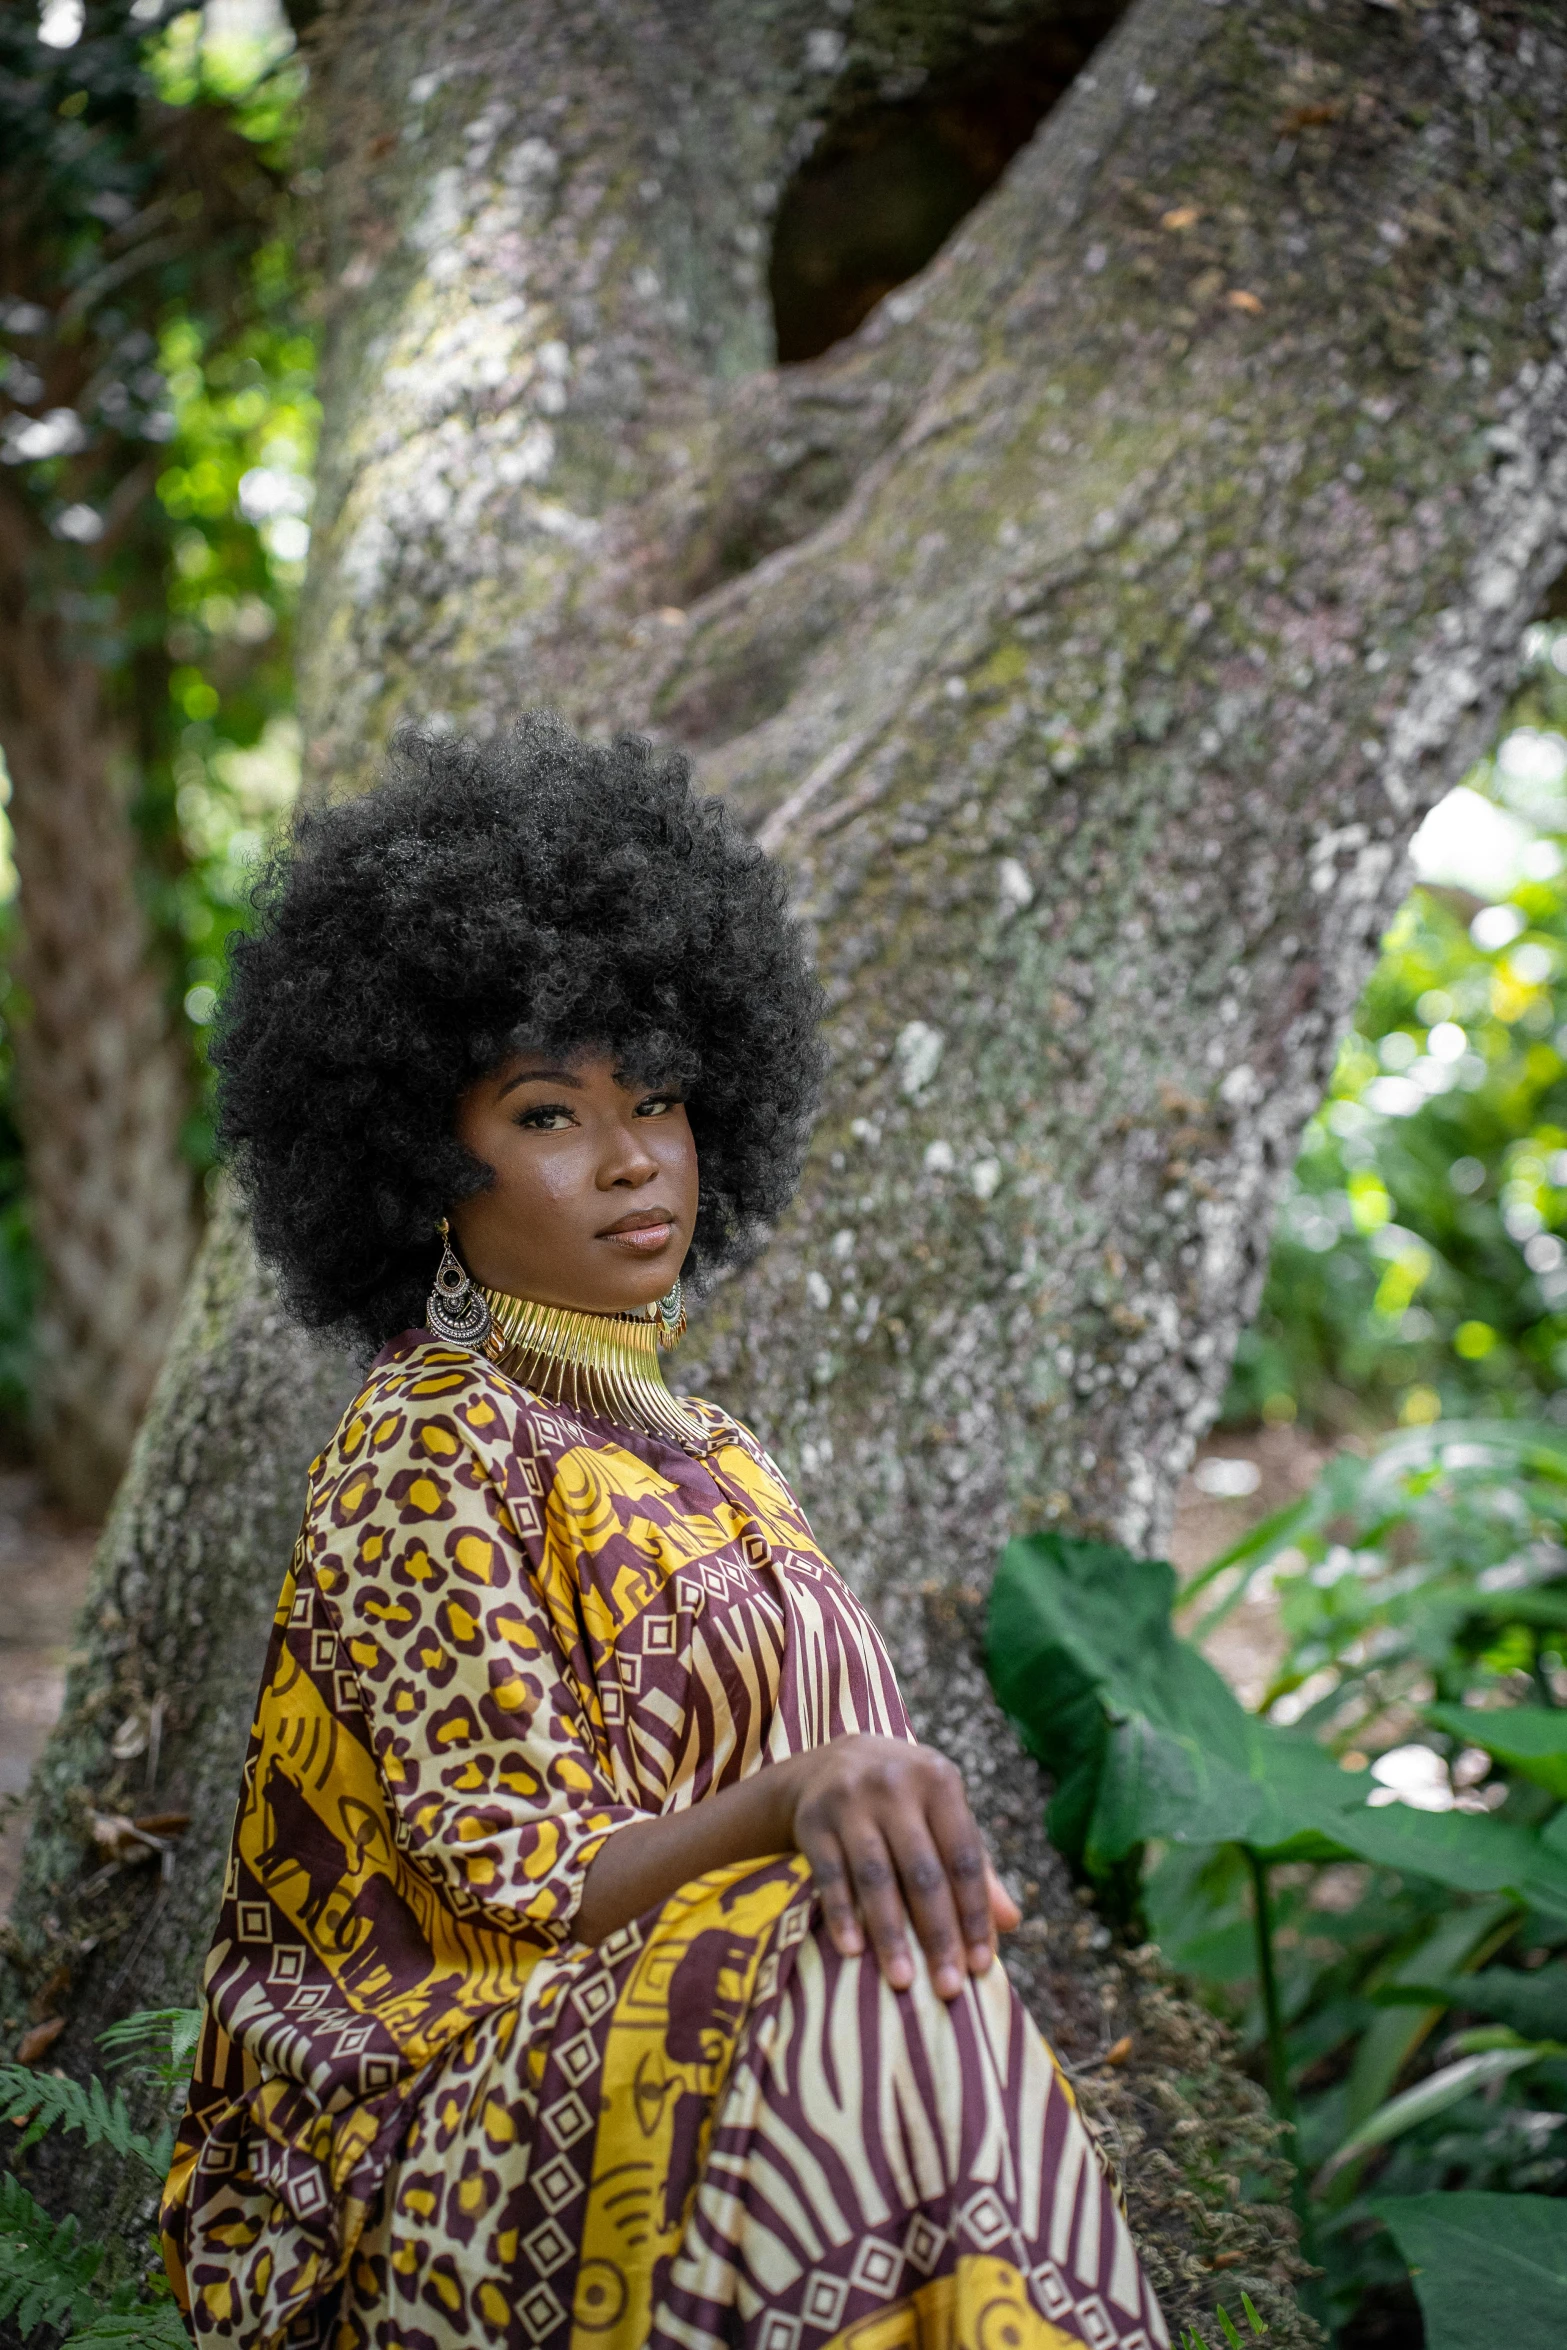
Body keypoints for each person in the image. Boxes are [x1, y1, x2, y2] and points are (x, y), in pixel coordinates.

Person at [160, 715, 1163, 2350]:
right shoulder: (436, 1434)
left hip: (730, 2037)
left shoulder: (718, 1458)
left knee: (874, 1967)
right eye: (549, 1113)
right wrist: (791, 1801)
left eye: (663, 1101)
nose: (634, 1160)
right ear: (420, 1156)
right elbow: (521, 1885)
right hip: (416, 2126)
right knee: (832, 1971)